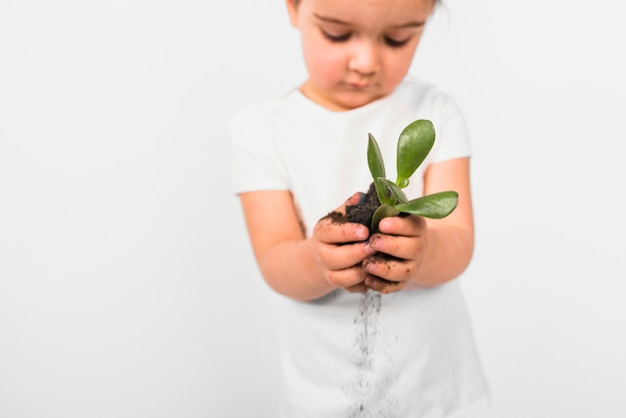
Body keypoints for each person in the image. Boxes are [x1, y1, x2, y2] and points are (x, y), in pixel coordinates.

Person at [228, 0, 490, 416]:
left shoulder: (434, 112)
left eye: (397, 38)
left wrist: (421, 253)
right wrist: (319, 260)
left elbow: (457, 243)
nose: (366, 62)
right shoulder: (263, 130)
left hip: (439, 396)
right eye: (337, 34)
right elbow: (275, 260)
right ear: (294, 7)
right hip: (326, 399)